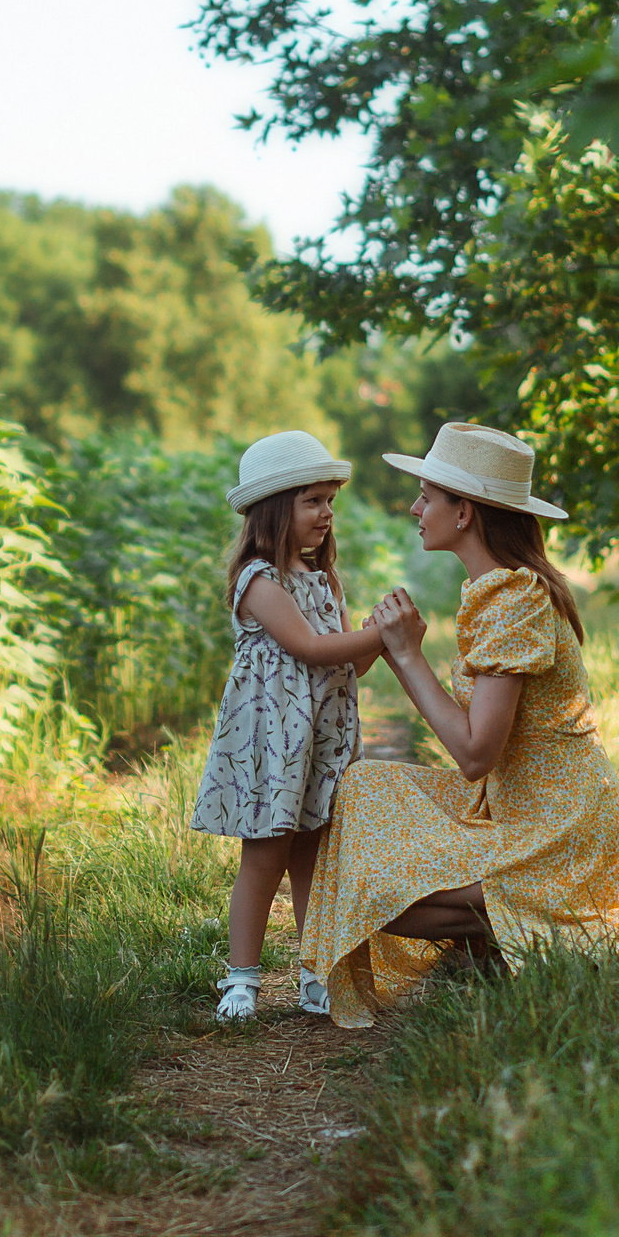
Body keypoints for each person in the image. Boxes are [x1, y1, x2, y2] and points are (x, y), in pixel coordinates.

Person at [299, 422, 619, 1027]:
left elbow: (475, 753)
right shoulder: (495, 590)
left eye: (428, 495)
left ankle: (545, 924)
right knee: (365, 790)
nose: (415, 507)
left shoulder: (515, 599)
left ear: (465, 513)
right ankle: (499, 939)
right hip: (515, 810)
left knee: (380, 893)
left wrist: (406, 654)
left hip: (564, 829)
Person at [187, 431, 389, 1020]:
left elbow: (346, 662)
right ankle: (241, 979)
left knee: (313, 858)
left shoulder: (325, 581)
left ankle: (316, 972)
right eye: (314, 501)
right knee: (266, 856)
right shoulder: (261, 582)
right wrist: (383, 632)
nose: (327, 514)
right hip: (274, 744)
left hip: (320, 741)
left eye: (330, 501)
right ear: (276, 510)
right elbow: (309, 648)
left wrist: (381, 635)